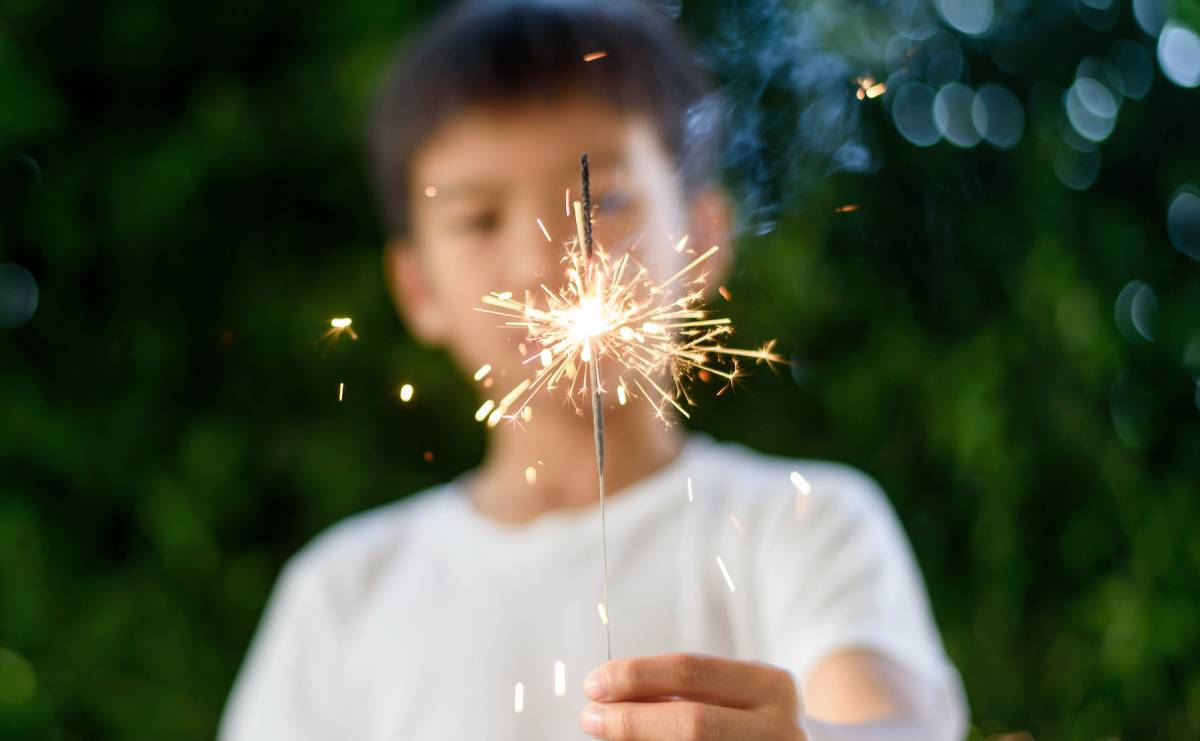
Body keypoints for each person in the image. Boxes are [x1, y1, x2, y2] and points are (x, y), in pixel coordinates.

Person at [217, 1, 968, 739]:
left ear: (703, 233)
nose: (544, 260)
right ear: (417, 286)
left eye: (604, 201)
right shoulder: (342, 593)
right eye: (479, 219)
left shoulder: (804, 523)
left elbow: (895, 722)